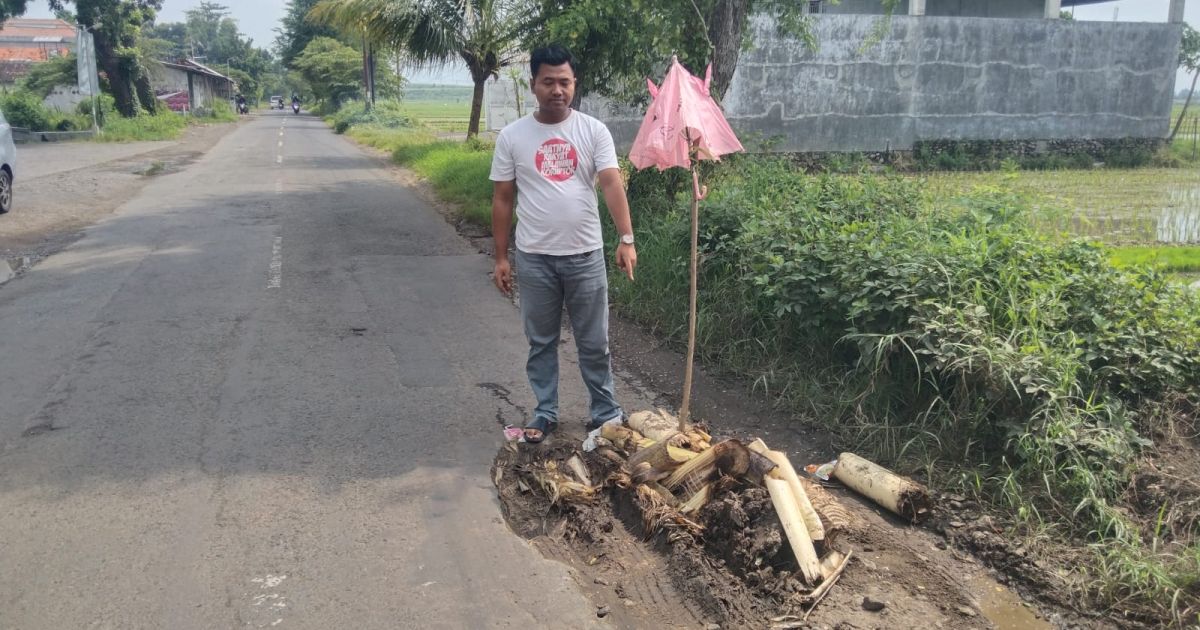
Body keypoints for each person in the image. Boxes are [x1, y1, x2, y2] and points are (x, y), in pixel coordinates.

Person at [489, 44, 637, 444]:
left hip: (585, 255)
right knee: (541, 342)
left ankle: (605, 414)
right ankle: (544, 412)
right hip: (535, 257)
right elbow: (503, 198)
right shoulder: (513, 136)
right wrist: (502, 257)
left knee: (595, 342)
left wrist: (626, 238)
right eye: (548, 82)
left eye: (565, 82)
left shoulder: (593, 130)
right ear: (533, 84)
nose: (558, 89)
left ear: (575, 84)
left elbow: (610, 182)